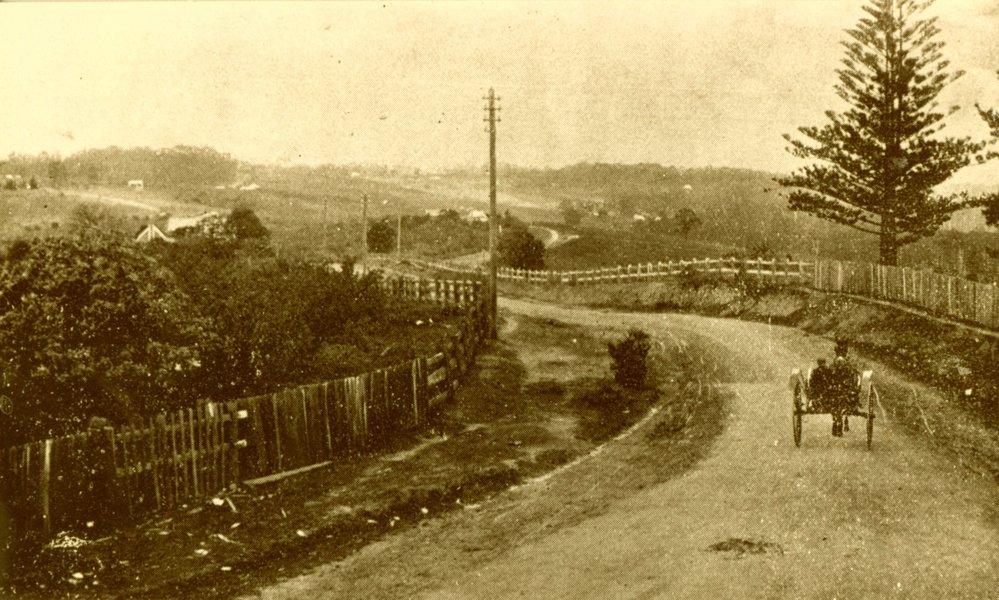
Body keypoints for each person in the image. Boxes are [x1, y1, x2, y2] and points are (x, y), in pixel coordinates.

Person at [828, 338, 859, 437]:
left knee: (837, 407)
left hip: (837, 387)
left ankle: (836, 425)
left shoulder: (836, 363)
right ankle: (838, 425)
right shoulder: (845, 364)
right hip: (843, 387)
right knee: (840, 406)